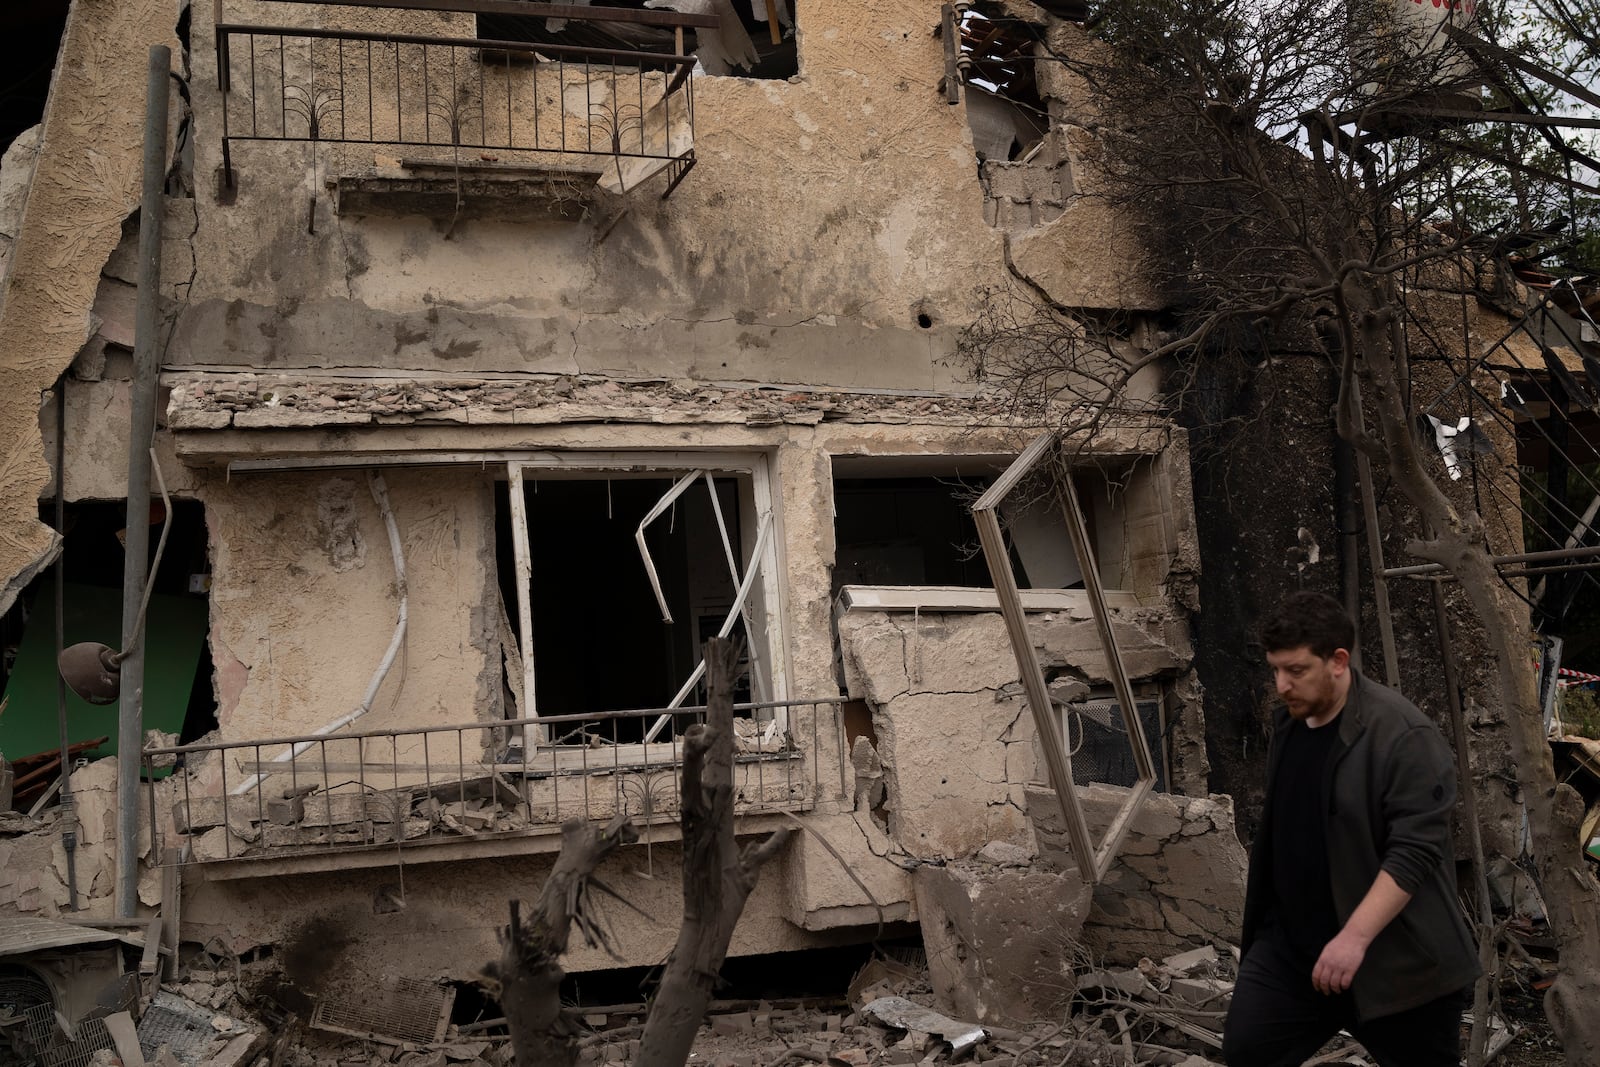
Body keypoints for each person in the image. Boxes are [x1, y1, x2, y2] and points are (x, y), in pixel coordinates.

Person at [1222, 591, 1479, 1066]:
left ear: (1338, 660)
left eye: (1296, 670)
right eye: (1275, 669)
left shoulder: (1404, 736)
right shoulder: (1290, 724)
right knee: (1246, 1053)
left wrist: (1353, 938)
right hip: (1293, 954)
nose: (1281, 684)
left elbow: (1415, 852)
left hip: (1396, 964)